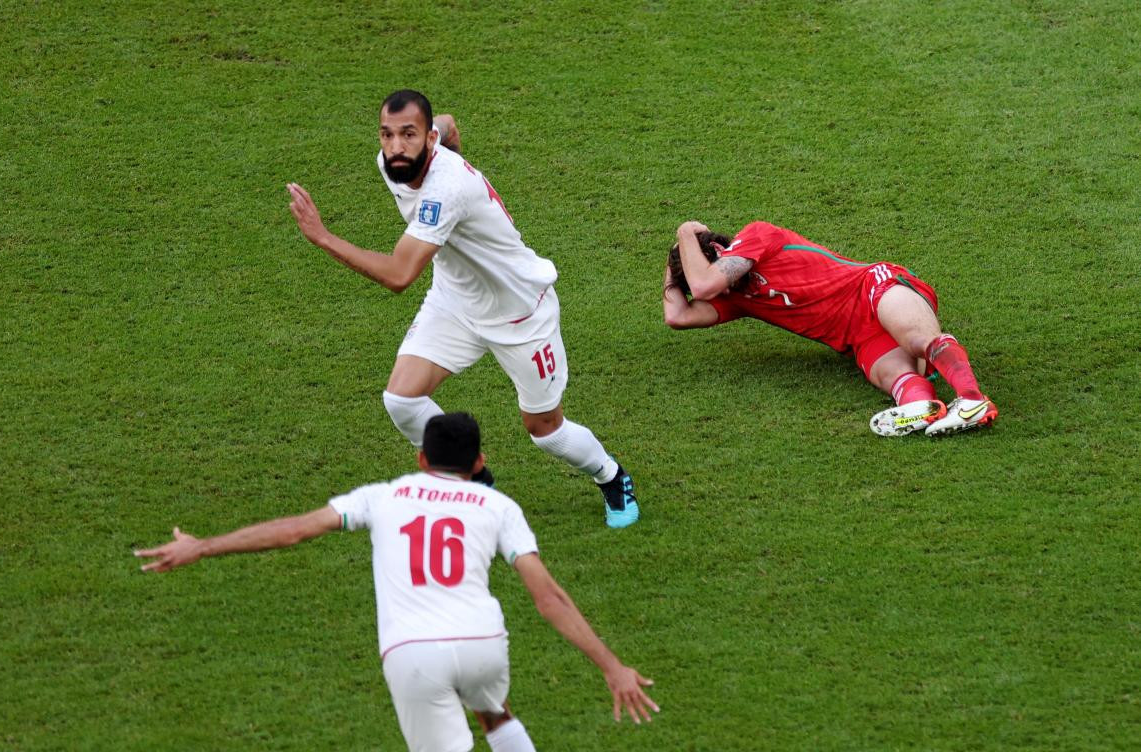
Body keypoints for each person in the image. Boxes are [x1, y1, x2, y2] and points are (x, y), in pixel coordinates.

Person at [135, 412, 658, 752]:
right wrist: (612, 666)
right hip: (483, 645)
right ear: (479, 463)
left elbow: (293, 532)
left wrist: (202, 545)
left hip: (413, 655)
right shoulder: (498, 505)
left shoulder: (382, 497)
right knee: (494, 714)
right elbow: (549, 598)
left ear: (421, 459)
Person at [285, 89, 637, 528]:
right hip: (455, 300)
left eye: (409, 135)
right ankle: (474, 477)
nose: (396, 146)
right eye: (387, 134)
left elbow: (399, 275)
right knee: (401, 398)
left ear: (427, 139)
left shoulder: (446, 189)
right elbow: (448, 122)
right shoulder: (395, 162)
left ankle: (612, 476)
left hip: (520, 313)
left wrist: (323, 236)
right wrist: (445, 136)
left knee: (544, 429)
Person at [662, 220, 998, 436]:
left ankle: (972, 400)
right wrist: (674, 261)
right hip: (858, 336)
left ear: (720, 253)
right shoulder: (737, 299)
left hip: (872, 287)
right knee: (894, 377)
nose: (714, 292)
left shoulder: (756, 235)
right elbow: (677, 316)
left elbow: (705, 286)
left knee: (916, 340)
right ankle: (923, 410)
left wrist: (684, 232)